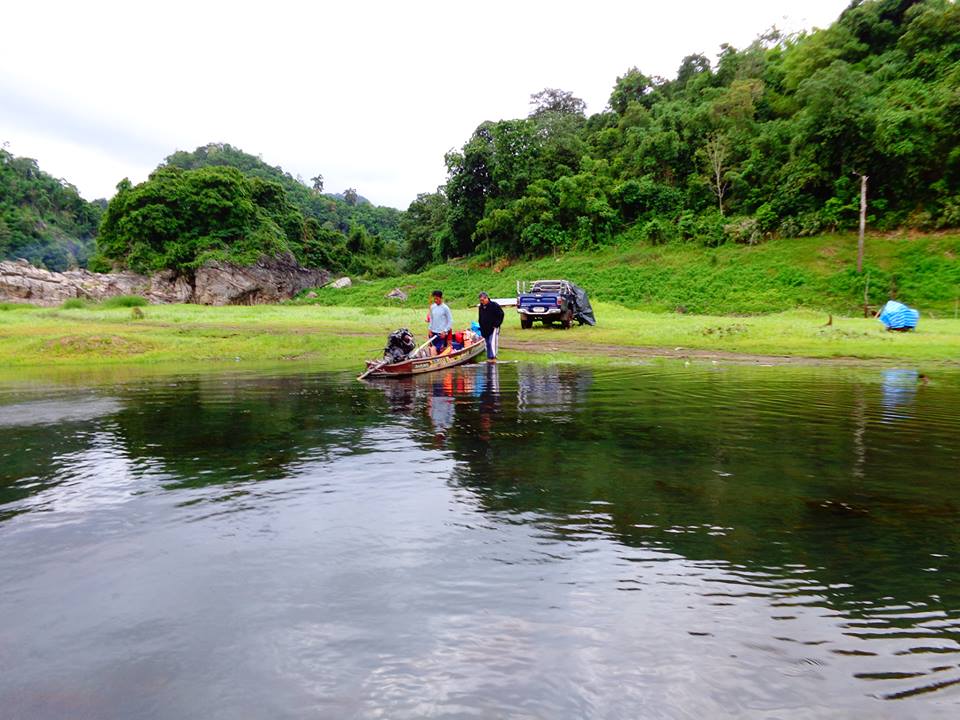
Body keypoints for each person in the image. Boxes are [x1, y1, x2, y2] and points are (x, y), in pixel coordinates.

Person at [477, 291, 504, 362]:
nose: (481, 302)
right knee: (487, 343)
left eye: (482, 300)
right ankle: (489, 357)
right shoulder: (481, 307)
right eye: (480, 301)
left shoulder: (494, 305)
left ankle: (494, 357)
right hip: (485, 328)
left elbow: (501, 314)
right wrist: (481, 326)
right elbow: (480, 317)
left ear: (486, 298)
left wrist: (496, 324)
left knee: (492, 342)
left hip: (493, 327)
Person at [427, 290, 453, 354]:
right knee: (432, 348)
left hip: (441, 334)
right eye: (434, 299)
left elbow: (450, 321)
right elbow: (431, 319)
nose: (435, 300)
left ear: (441, 298)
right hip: (433, 333)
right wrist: (430, 329)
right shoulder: (433, 307)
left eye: (437, 299)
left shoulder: (445, 308)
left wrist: (445, 331)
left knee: (437, 349)